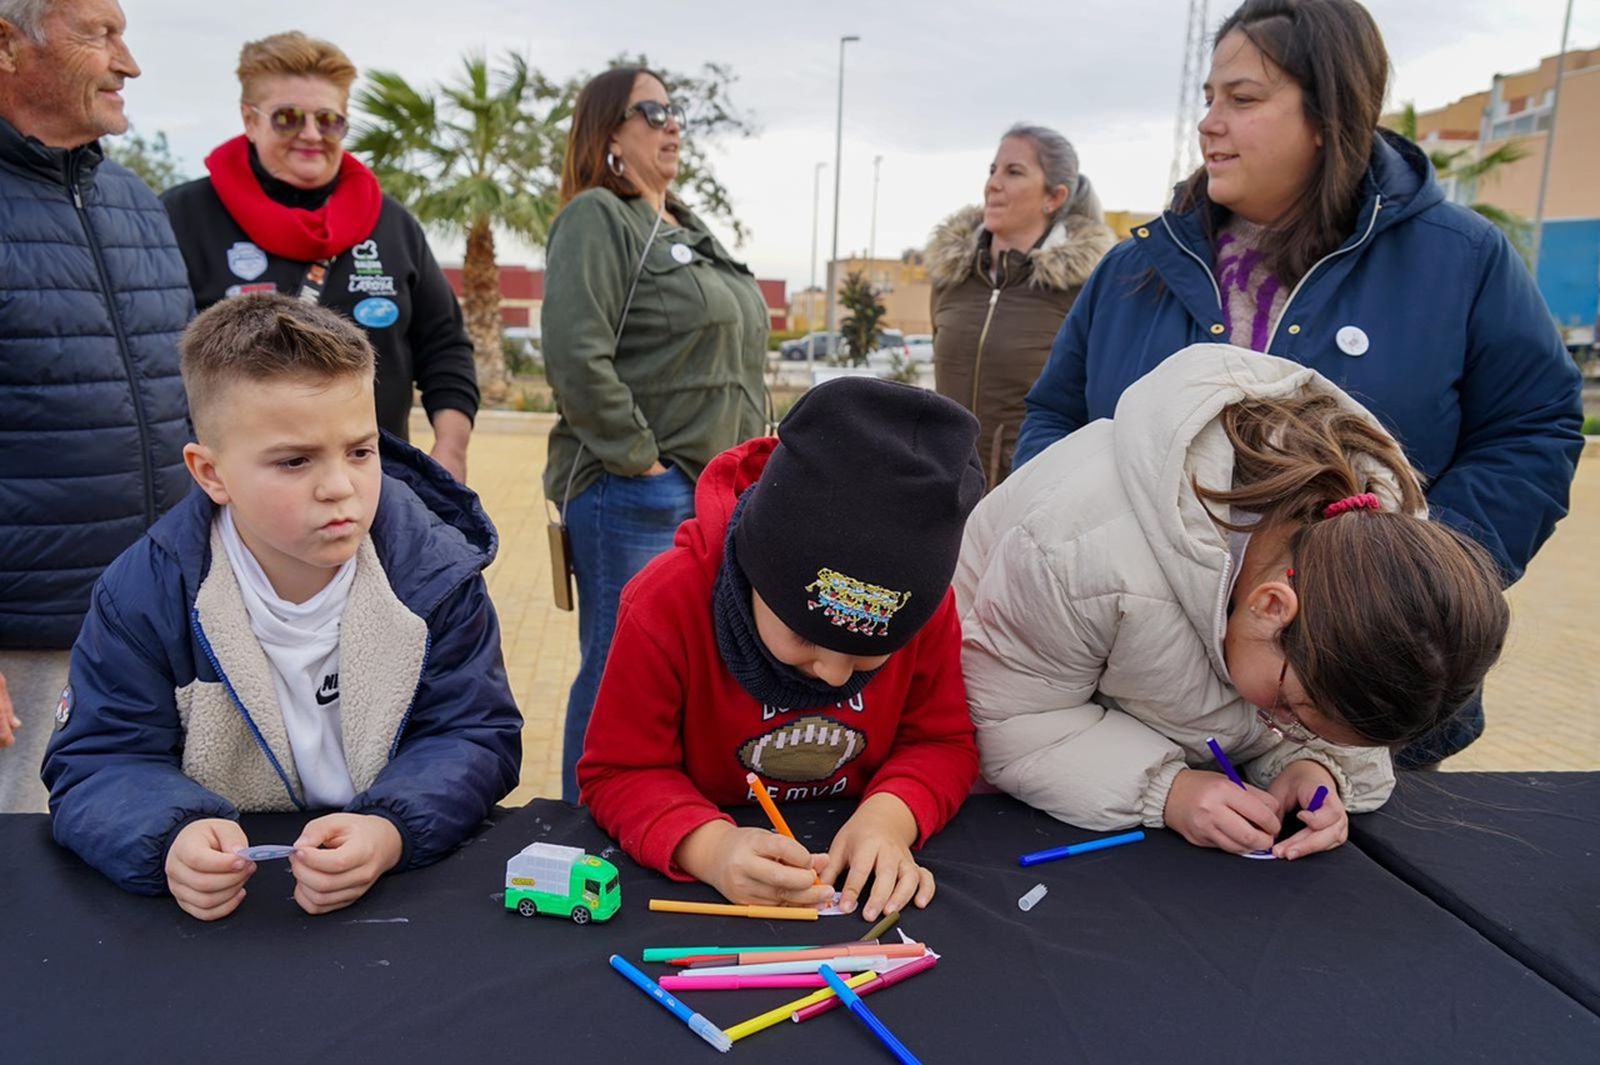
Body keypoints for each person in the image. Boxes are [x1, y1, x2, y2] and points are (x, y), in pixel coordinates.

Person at [1011, 0, 1584, 767]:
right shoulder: (1132, 269)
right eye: (1209, 98)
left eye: (1242, 99)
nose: (1209, 123)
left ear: (1330, 112)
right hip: (1147, 708)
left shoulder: (1462, 260)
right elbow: (1055, 418)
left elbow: (1535, 429)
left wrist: (1409, 577)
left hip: (1357, 704)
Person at [42, 295, 522, 920]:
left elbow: (475, 734)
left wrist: (389, 829)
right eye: (294, 461)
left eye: (360, 451)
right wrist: (171, 837)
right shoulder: (144, 593)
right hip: (227, 915)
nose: (339, 486)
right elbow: (97, 758)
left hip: (398, 897)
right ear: (210, 472)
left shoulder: (438, 575)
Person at [958, 345, 1509, 859]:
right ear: (1272, 607)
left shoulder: (1379, 554)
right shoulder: (1076, 544)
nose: (1288, 727)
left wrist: (1313, 765)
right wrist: (1166, 790)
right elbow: (1013, 716)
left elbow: (1337, 691)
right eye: (1293, 711)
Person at [578, 377, 983, 922]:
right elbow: (619, 773)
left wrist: (889, 819)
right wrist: (710, 848)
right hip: (708, 894)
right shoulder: (665, 605)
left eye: (869, 657)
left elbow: (942, 742)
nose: (836, 677)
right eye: (807, 637)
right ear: (755, 573)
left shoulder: (927, 613)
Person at [544, 66, 769, 802]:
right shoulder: (598, 218)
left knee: (686, 672)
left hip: (714, 494)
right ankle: (583, 826)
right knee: (619, 672)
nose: (673, 124)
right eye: (652, 111)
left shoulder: (688, 228)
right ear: (610, 132)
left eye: (676, 111)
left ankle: (659, 812)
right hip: (636, 493)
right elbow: (576, 355)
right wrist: (642, 462)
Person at [0, 0, 194, 812]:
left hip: (157, 634)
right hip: (28, 660)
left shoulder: (137, 203)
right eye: (99, 35)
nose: (130, 64)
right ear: (9, 46)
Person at [162, 31, 477, 481]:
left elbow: (444, 345)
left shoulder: (391, 224)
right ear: (249, 120)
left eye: (329, 120)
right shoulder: (182, 217)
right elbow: (150, 364)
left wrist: (451, 449)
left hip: (377, 493)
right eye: (287, 118)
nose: (311, 135)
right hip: (233, 501)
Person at [925, 123, 1114, 489]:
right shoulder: (952, 277)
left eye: (1013, 172)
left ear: (1054, 197)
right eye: (992, 170)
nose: (993, 184)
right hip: (943, 491)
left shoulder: (1085, 287)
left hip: (1031, 496)